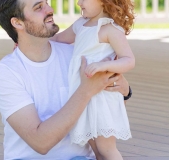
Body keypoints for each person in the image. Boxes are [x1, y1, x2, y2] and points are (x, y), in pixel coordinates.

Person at [0, 0, 131, 159]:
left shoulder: (77, 56)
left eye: (47, 3)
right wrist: (86, 90)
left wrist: (125, 91)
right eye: (39, 7)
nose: (50, 10)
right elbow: (40, 143)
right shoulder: (6, 72)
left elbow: (104, 104)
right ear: (17, 22)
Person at [51, 0, 135, 159]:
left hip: (102, 97)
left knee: (106, 148)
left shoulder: (109, 29)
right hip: (84, 95)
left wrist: (104, 65)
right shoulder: (81, 24)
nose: (79, 2)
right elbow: (58, 39)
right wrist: (26, 42)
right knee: (95, 147)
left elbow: (129, 60)